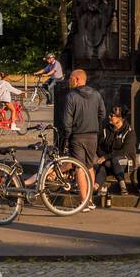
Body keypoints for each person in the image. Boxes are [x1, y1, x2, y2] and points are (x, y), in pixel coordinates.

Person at [62, 69, 105, 212]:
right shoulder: (96, 94)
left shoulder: (71, 96)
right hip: (92, 135)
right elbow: (102, 114)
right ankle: (90, 200)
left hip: (77, 135)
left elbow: (67, 120)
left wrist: (67, 136)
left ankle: (83, 201)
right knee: (90, 165)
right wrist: (95, 126)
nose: (69, 81)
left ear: (77, 79)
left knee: (79, 166)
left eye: (70, 78)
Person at [95, 106, 138, 196]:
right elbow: (98, 148)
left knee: (114, 160)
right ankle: (95, 187)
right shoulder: (105, 129)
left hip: (127, 161)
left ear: (119, 118)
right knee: (103, 167)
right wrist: (104, 157)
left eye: (112, 115)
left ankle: (122, 185)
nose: (109, 117)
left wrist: (106, 157)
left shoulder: (129, 132)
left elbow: (124, 151)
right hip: (109, 161)